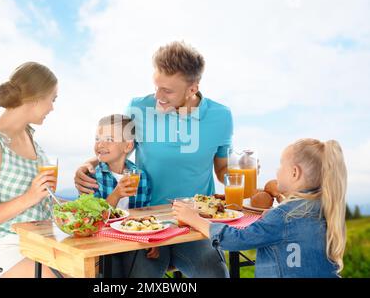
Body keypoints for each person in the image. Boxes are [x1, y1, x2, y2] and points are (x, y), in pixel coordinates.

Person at [74, 41, 232, 278]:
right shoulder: (138, 108)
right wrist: (90, 164)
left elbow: (223, 170)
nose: (158, 96)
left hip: (193, 223)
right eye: (156, 86)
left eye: (167, 90)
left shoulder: (221, 116)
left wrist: (241, 176)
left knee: (216, 275)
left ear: (192, 88)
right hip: (146, 222)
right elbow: (120, 148)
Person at [174, 138, 347, 277]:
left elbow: (235, 239)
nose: (277, 171)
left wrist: (194, 219)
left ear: (294, 173)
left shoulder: (283, 217)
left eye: (281, 165)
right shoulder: (326, 207)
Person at [0, 62, 60, 278]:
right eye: (52, 99)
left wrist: (75, 205)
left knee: (93, 272)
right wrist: (29, 197)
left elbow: (42, 198)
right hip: (7, 252)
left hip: (40, 243)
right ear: (36, 98)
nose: (52, 108)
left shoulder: (29, 136)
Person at [92, 114, 151, 210]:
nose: (100, 144)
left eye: (109, 139)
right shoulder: (91, 177)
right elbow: (94, 217)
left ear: (128, 146)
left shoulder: (141, 177)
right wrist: (116, 194)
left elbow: (144, 212)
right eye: (97, 139)